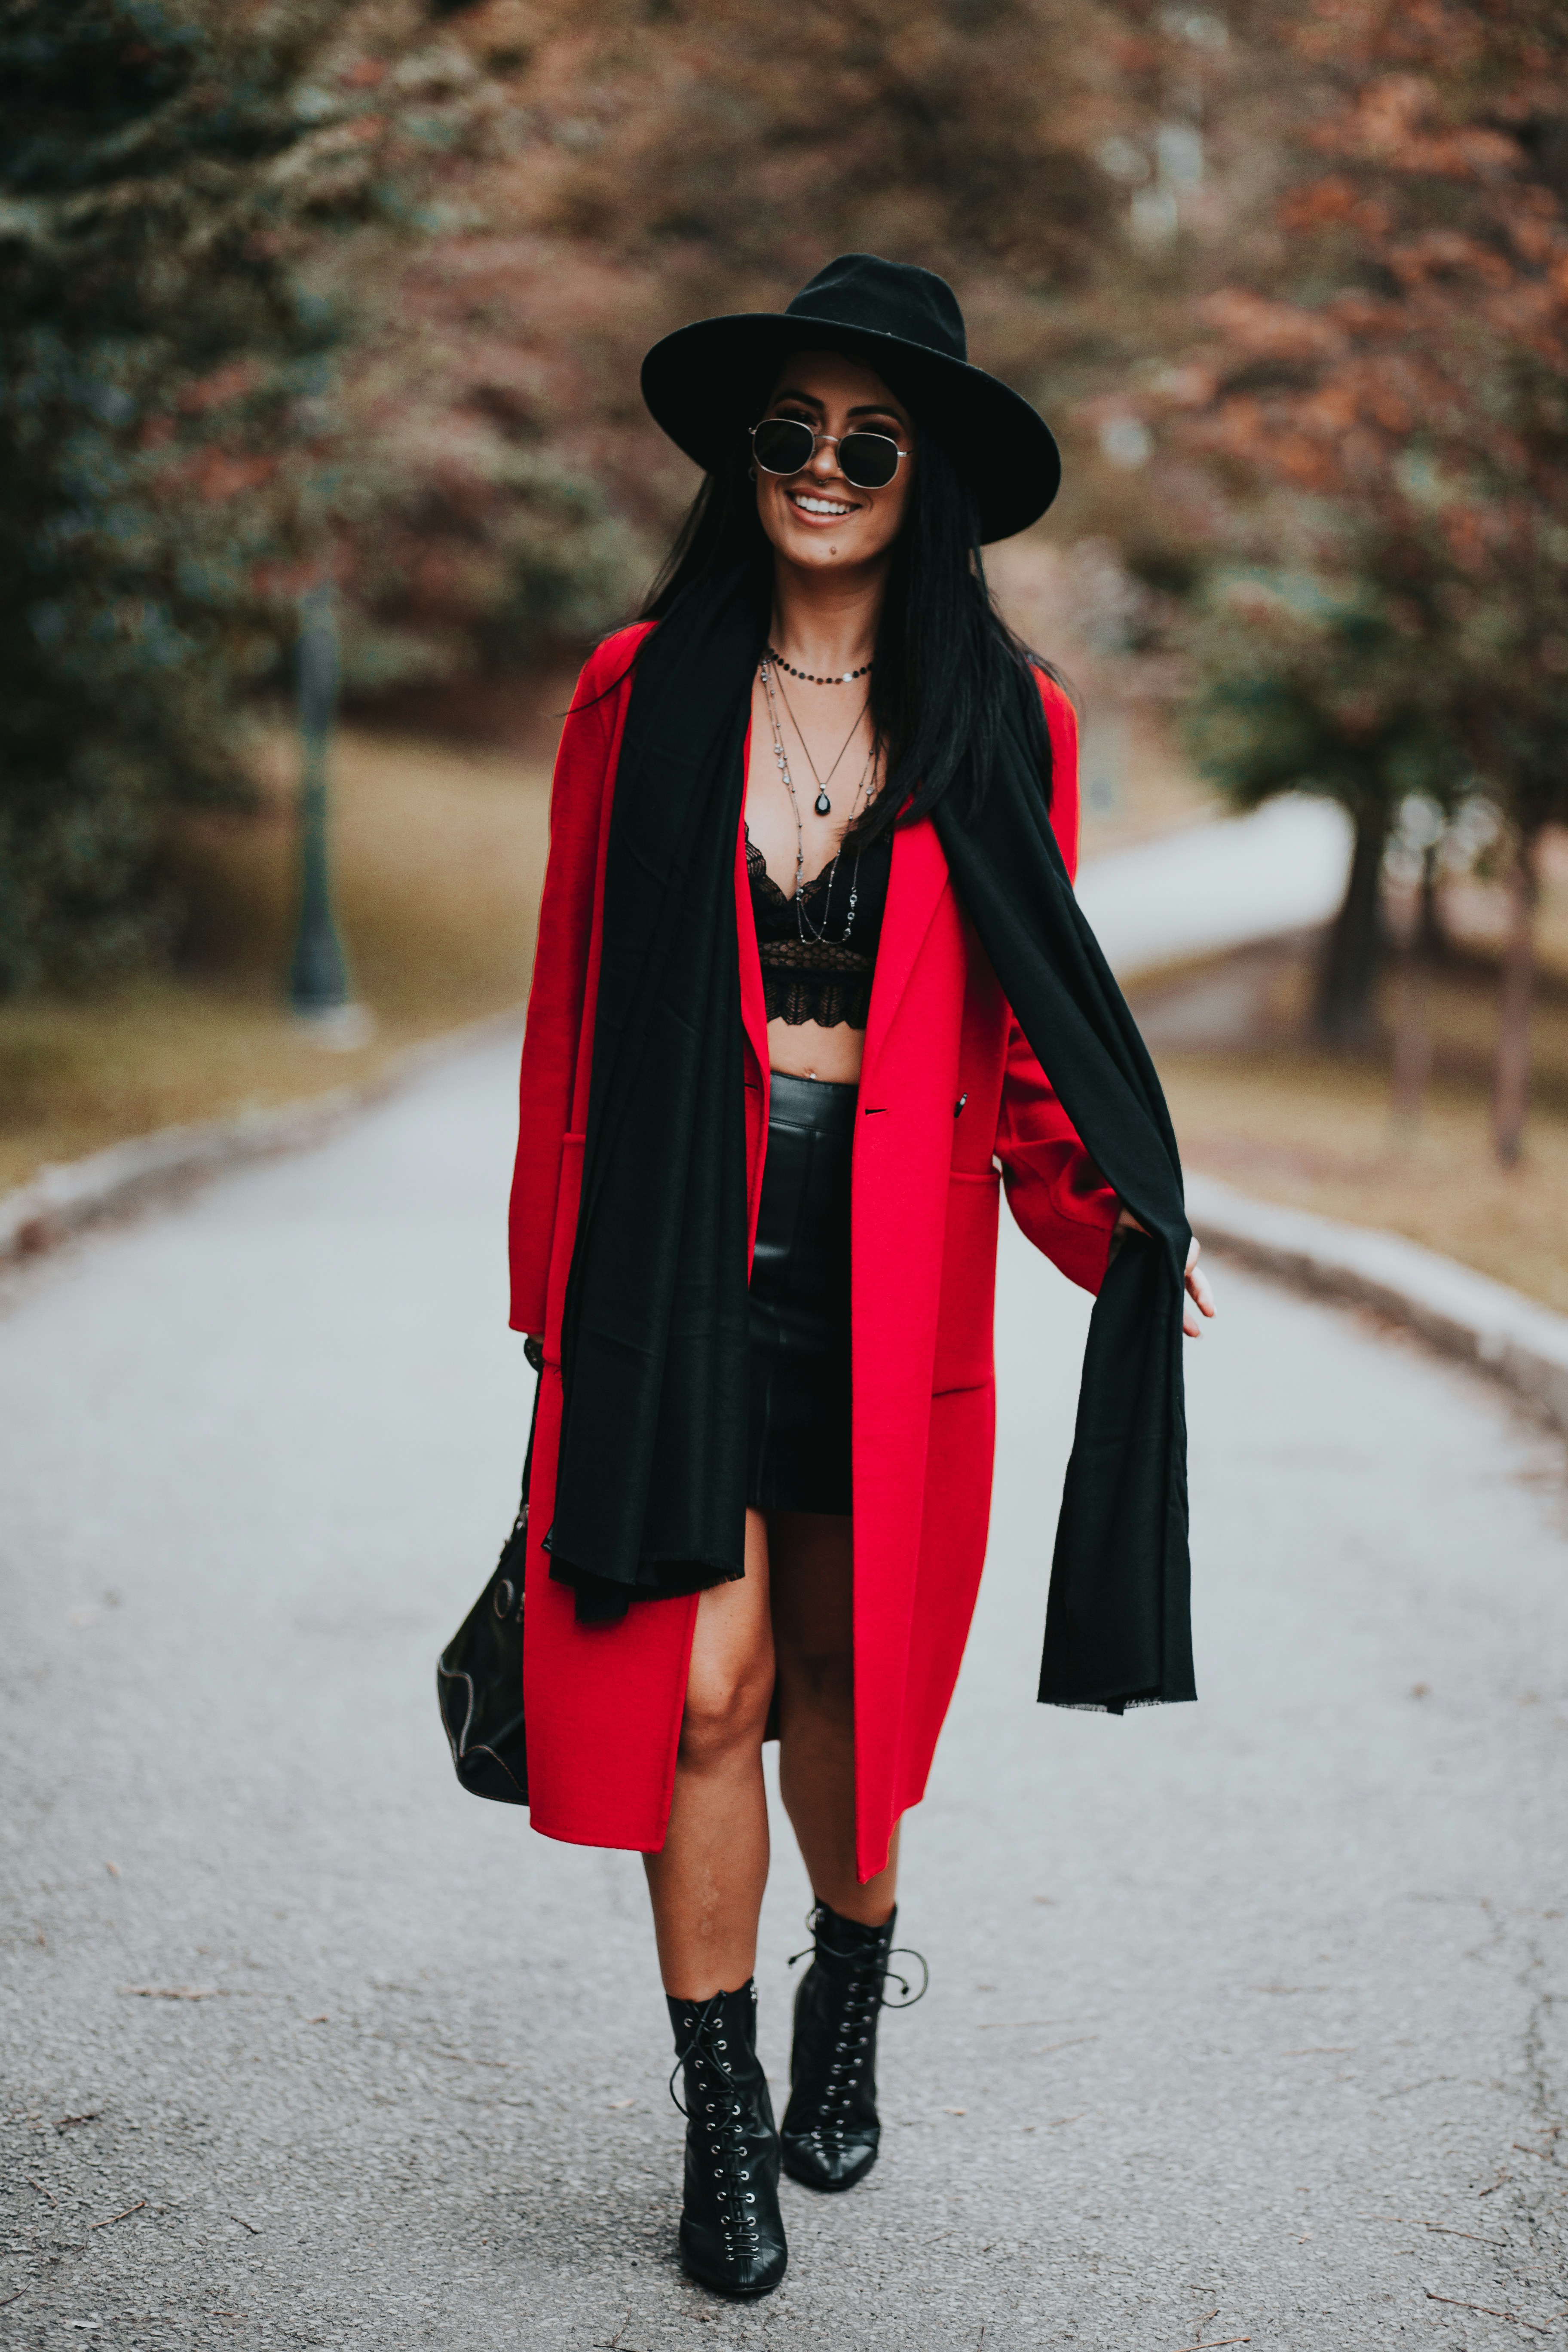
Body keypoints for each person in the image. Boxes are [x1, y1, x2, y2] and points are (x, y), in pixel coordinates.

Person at [506, 253, 1215, 2298]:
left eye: (869, 442)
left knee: (845, 1692)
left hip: (895, 1282)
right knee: (704, 1690)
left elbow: (1033, 1031)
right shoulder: (638, 694)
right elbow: (566, 1015)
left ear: (931, 477)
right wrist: (554, 1307)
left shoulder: (1015, 722)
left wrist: (1116, 1227)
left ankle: (851, 1986)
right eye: (792, 434)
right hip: (673, 1264)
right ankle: (723, 2126)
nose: (824, 470)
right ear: (747, 457)